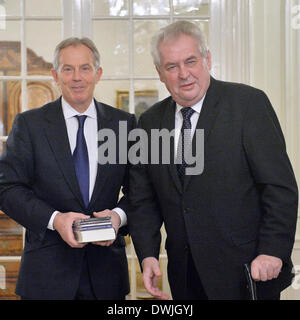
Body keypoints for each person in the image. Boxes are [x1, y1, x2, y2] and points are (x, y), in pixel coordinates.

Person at [128, 21, 298, 300]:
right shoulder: (150, 122)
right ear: (160, 73)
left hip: (247, 272)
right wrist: (147, 254)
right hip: (185, 276)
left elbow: (279, 188)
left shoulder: (248, 104)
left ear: (207, 59)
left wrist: (272, 250)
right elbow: (143, 198)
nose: (184, 74)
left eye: (191, 61)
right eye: (172, 66)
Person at [0, 37, 136, 300]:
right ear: (55, 75)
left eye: (85, 68)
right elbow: (7, 188)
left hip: (106, 276)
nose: (77, 78)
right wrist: (55, 220)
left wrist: (118, 217)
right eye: (68, 69)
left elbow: (141, 192)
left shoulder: (124, 124)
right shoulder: (30, 125)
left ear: (98, 74)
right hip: (46, 276)